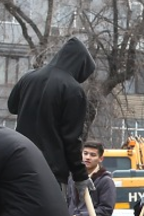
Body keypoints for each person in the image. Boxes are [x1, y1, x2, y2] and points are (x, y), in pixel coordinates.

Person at [7, 37, 96, 197]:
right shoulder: (73, 90)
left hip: (18, 164)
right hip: (50, 172)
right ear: (80, 67)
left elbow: (12, 107)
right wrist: (80, 175)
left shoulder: (29, 77)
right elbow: (72, 139)